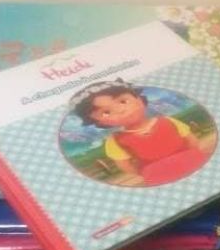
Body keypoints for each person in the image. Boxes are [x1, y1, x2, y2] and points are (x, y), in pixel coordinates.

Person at [69, 79, 210, 186]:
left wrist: (194, 154)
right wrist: (144, 173)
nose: (120, 110)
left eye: (123, 101)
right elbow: (124, 164)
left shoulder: (168, 121)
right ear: (99, 122)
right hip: (158, 174)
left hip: (192, 160)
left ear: (140, 100)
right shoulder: (115, 141)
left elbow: (191, 139)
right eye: (106, 112)